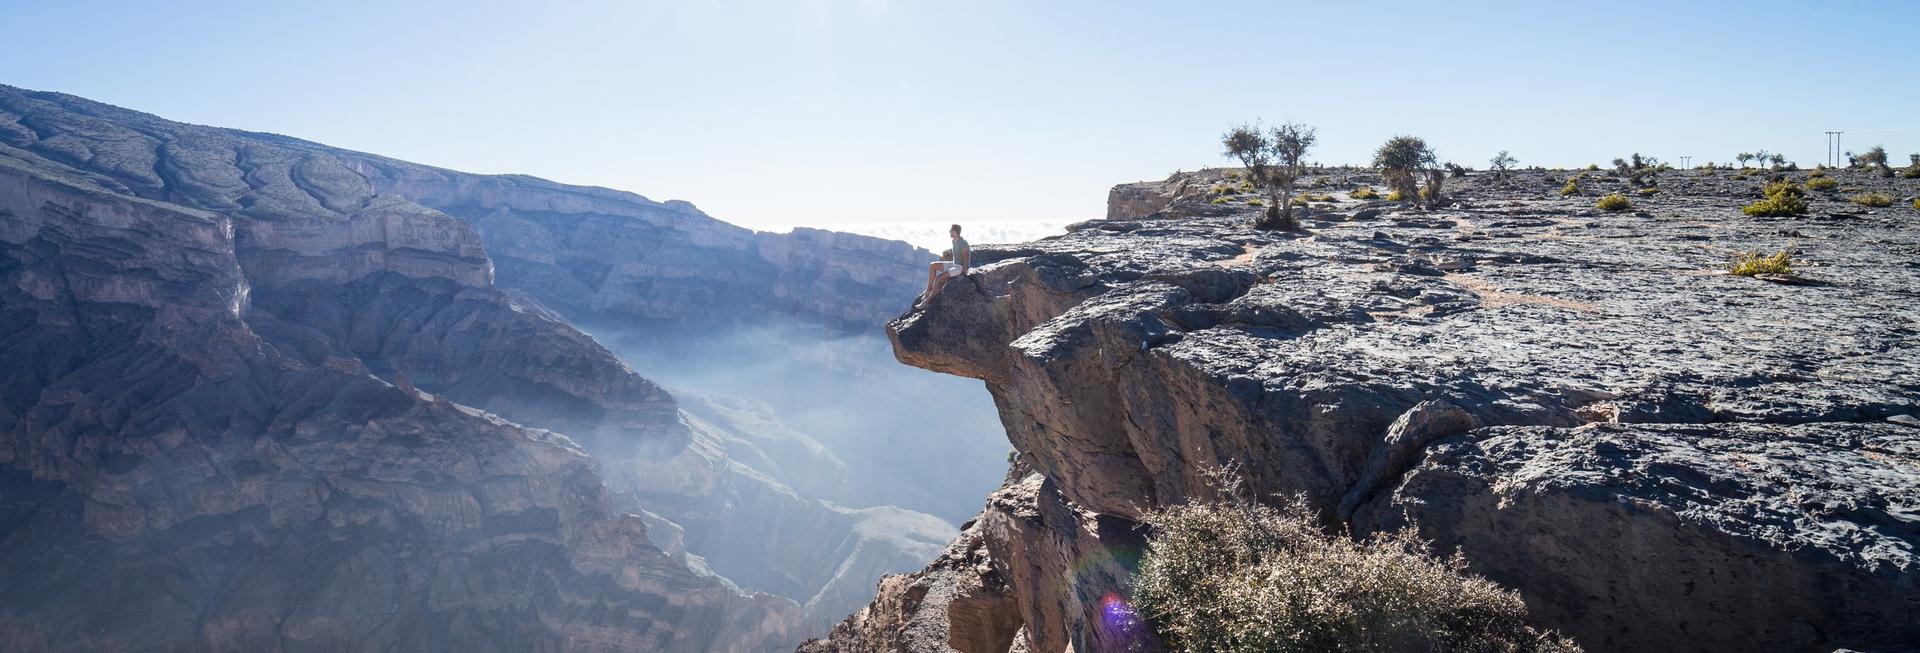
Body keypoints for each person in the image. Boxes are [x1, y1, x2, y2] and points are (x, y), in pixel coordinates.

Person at [922, 224, 970, 303]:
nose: (949, 232)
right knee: (932, 265)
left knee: (938, 278)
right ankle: (928, 290)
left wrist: (964, 272)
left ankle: (927, 301)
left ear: (954, 231)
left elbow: (966, 258)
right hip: (954, 264)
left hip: (960, 267)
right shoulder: (954, 241)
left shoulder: (963, 243)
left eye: (951, 230)